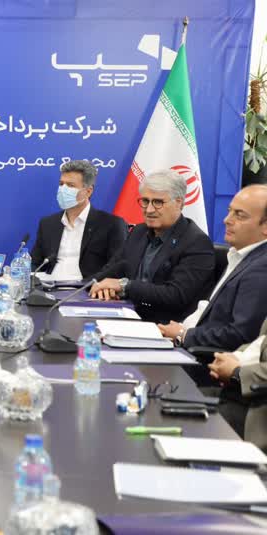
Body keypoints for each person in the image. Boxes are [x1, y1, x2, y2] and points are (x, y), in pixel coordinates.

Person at [90, 169, 214, 323]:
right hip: (125, 314)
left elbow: (176, 295)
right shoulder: (139, 231)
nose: (149, 210)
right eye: (145, 201)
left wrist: (124, 286)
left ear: (179, 203)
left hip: (163, 325)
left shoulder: (197, 242)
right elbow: (110, 271)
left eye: (158, 202)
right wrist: (103, 287)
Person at [159, 185, 267, 350]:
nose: (227, 220)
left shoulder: (261, 268)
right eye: (230, 211)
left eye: (240, 215)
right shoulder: (239, 256)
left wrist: (183, 335)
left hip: (204, 357)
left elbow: (241, 335)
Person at [30, 160, 127, 280]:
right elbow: (35, 264)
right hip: (48, 287)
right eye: (61, 184)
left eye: (70, 185)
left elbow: (116, 268)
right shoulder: (48, 224)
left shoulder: (111, 224)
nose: (63, 189)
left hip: (86, 288)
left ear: (88, 191)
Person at [208, 322, 267, 449]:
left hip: (258, 413)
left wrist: (237, 372)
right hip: (239, 393)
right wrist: (235, 356)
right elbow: (261, 342)